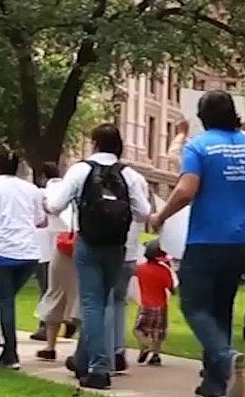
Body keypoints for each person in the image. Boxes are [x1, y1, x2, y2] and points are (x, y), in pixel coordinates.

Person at [149, 91, 245, 397]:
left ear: (203, 118)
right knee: (222, 309)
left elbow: (186, 190)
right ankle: (214, 384)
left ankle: (225, 357)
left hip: (206, 240)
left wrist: (160, 216)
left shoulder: (199, 146)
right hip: (241, 241)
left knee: (193, 305)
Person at [48, 124, 151, 390]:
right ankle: (83, 359)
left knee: (92, 304)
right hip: (117, 246)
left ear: (94, 143)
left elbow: (56, 205)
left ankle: (98, 367)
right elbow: (143, 212)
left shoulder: (81, 170)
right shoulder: (128, 174)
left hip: (89, 243)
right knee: (104, 302)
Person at [0, 151, 47, 370]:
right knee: (2, 300)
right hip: (28, 254)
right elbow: (40, 220)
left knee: (3, 301)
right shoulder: (31, 190)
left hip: (0, 252)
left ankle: (10, 352)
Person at [107, 158, 153, 374]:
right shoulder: (138, 179)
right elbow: (145, 212)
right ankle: (117, 350)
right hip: (130, 250)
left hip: (105, 245)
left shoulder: (95, 173)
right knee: (118, 302)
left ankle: (100, 353)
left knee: (100, 301)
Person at [36, 165, 81, 362]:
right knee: (81, 295)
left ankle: (50, 344)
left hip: (61, 245)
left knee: (54, 291)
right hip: (83, 243)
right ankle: (79, 344)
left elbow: (52, 208)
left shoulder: (48, 192)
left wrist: (45, 205)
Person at [30, 162, 62, 343]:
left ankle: (45, 325)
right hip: (66, 247)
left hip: (45, 248)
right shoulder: (67, 191)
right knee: (63, 289)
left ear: (43, 176)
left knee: (46, 289)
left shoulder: (42, 194)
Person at [134, 239, 176, 367]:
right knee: (158, 332)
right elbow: (172, 289)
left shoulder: (140, 269)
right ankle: (155, 355)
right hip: (161, 306)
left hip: (146, 304)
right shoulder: (165, 271)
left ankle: (146, 345)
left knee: (139, 330)